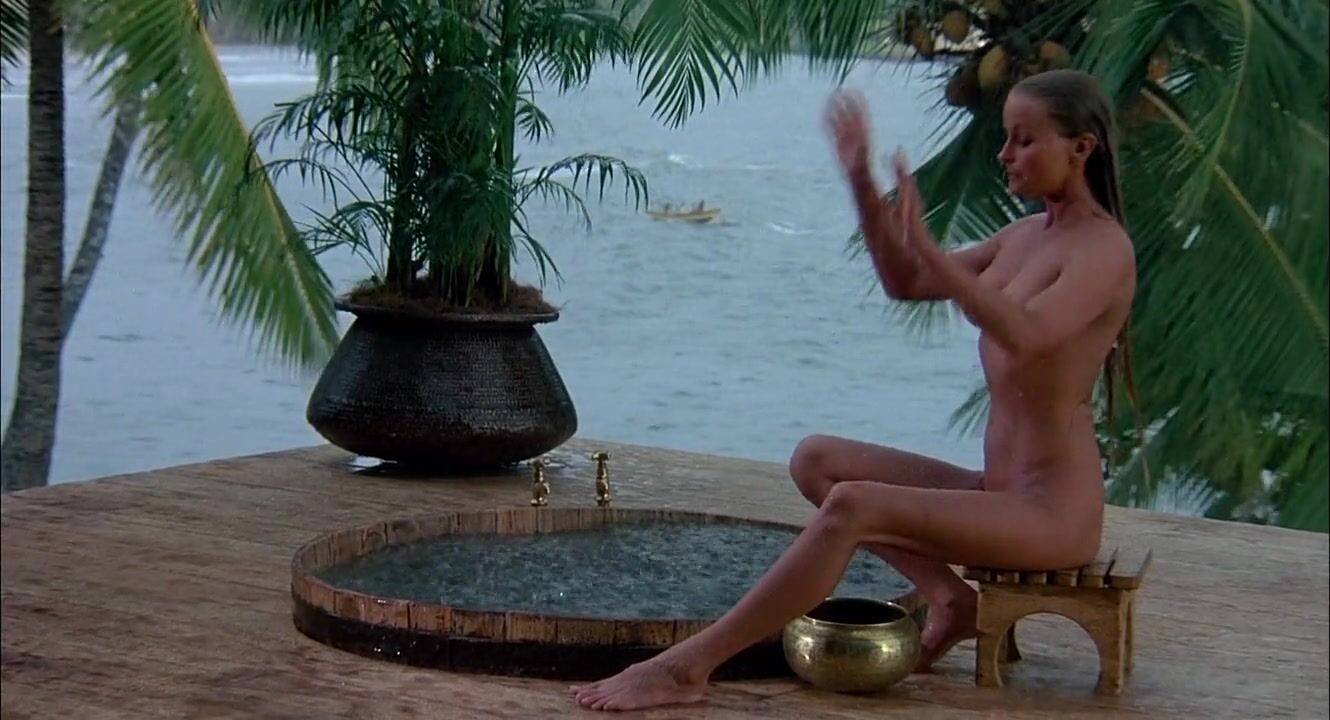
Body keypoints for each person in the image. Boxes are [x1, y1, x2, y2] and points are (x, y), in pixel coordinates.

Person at [570, 68, 1138, 712]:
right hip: (998, 491)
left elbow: (1029, 334)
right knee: (817, 460)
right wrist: (863, 183)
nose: (1005, 154)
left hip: (1051, 515)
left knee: (853, 505)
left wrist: (931, 249)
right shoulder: (1024, 237)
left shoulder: (1104, 251)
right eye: (1006, 138)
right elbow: (905, 281)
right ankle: (951, 601)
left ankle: (687, 668)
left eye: (1024, 140)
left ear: (1081, 148)